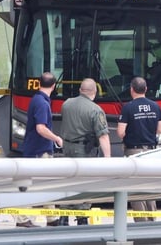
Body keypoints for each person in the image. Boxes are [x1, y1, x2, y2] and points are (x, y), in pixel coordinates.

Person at [60, 78, 111, 225]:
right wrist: (108, 158)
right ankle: (82, 217)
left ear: (80, 90)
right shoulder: (95, 110)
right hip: (84, 151)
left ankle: (63, 216)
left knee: (68, 182)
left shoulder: (66, 104)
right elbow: (103, 135)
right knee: (83, 183)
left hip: (67, 148)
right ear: (94, 92)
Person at [16, 72, 63, 229]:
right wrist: (56, 138)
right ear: (54, 85)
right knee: (37, 185)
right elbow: (41, 128)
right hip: (39, 150)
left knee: (44, 184)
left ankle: (52, 218)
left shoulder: (37, 100)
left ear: (38, 83)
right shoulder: (42, 104)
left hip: (35, 148)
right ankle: (23, 219)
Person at [117, 76, 161, 221]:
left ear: (132, 90)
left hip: (133, 151)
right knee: (149, 184)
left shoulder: (128, 107)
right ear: (145, 89)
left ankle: (141, 222)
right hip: (151, 151)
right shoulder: (156, 106)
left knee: (134, 186)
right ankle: (152, 219)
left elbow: (120, 132)